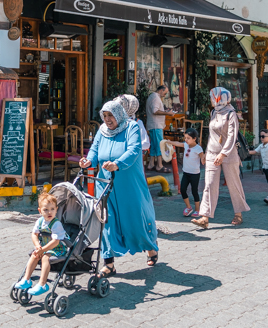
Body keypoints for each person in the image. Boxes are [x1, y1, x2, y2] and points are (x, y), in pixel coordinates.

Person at [79, 99, 159, 274]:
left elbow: (134, 150)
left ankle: (150, 248)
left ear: (119, 114)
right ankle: (109, 264)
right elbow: (94, 149)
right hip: (105, 184)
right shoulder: (102, 131)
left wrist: (117, 164)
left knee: (135, 220)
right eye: (105, 115)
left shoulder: (132, 127)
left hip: (129, 184)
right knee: (107, 222)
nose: (108, 119)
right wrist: (88, 161)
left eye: (111, 115)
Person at [191, 87, 250, 228]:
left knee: (233, 184)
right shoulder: (213, 112)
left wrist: (223, 154)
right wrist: (205, 153)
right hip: (212, 153)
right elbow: (212, 136)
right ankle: (204, 217)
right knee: (209, 184)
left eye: (213, 97)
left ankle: (238, 214)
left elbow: (232, 136)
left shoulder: (231, 114)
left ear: (220, 98)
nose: (212, 100)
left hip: (228, 155)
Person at [14, 192, 69, 298]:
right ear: (40, 211)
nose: (49, 212)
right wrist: (37, 246)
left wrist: (43, 249)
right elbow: (34, 235)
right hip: (44, 247)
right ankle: (26, 279)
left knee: (44, 258)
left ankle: (42, 284)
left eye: (52, 209)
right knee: (35, 254)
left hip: (58, 248)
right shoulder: (40, 221)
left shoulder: (56, 224)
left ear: (56, 209)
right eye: (46, 210)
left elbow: (55, 242)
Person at [174, 127, 204, 218]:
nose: (185, 140)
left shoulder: (198, 148)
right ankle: (188, 207)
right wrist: (167, 142)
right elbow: (177, 144)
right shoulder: (186, 145)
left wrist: (205, 158)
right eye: (185, 137)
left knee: (194, 191)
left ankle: (197, 210)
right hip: (186, 173)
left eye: (188, 138)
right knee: (182, 189)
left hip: (195, 174)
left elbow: (203, 159)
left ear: (194, 139)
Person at [145, 84, 177, 172]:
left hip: (153, 125)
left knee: (154, 146)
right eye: (165, 93)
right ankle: (159, 165)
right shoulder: (155, 97)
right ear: (161, 90)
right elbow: (155, 111)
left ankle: (151, 164)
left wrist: (165, 112)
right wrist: (168, 113)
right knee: (160, 145)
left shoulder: (153, 96)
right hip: (156, 125)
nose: (165, 95)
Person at [250, 130, 268, 205]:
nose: (261, 138)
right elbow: (255, 151)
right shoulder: (261, 146)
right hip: (265, 167)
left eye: (263, 136)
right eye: (260, 136)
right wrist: (246, 152)